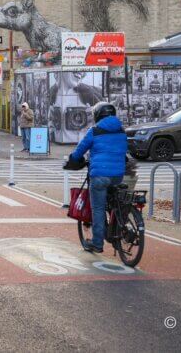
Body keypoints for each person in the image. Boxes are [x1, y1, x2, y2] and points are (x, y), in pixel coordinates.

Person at [67, 102, 127, 253]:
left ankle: (97, 243)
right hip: (118, 175)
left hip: (100, 175)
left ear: (97, 115)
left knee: (98, 208)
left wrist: (72, 159)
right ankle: (117, 227)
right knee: (112, 201)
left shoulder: (94, 131)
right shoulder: (121, 130)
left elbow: (80, 149)